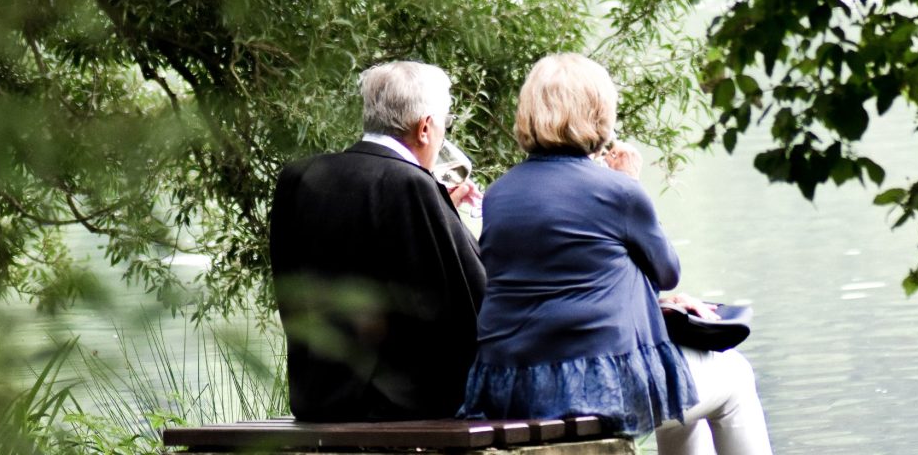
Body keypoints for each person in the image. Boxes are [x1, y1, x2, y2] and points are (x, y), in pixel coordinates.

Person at [459, 53, 771, 454]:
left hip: (510, 383)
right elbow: (667, 272)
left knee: (679, 389)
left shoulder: (499, 194)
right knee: (734, 377)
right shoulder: (617, 191)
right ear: (597, 112)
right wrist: (630, 183)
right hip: (595, 385)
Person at [268, 60, 485, 422]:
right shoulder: (412, 185)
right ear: (426, 128)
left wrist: (443, 207)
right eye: (446, 124)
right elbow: (470, 300)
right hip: (402, 407)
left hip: (317, 398)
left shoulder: (299, 177)